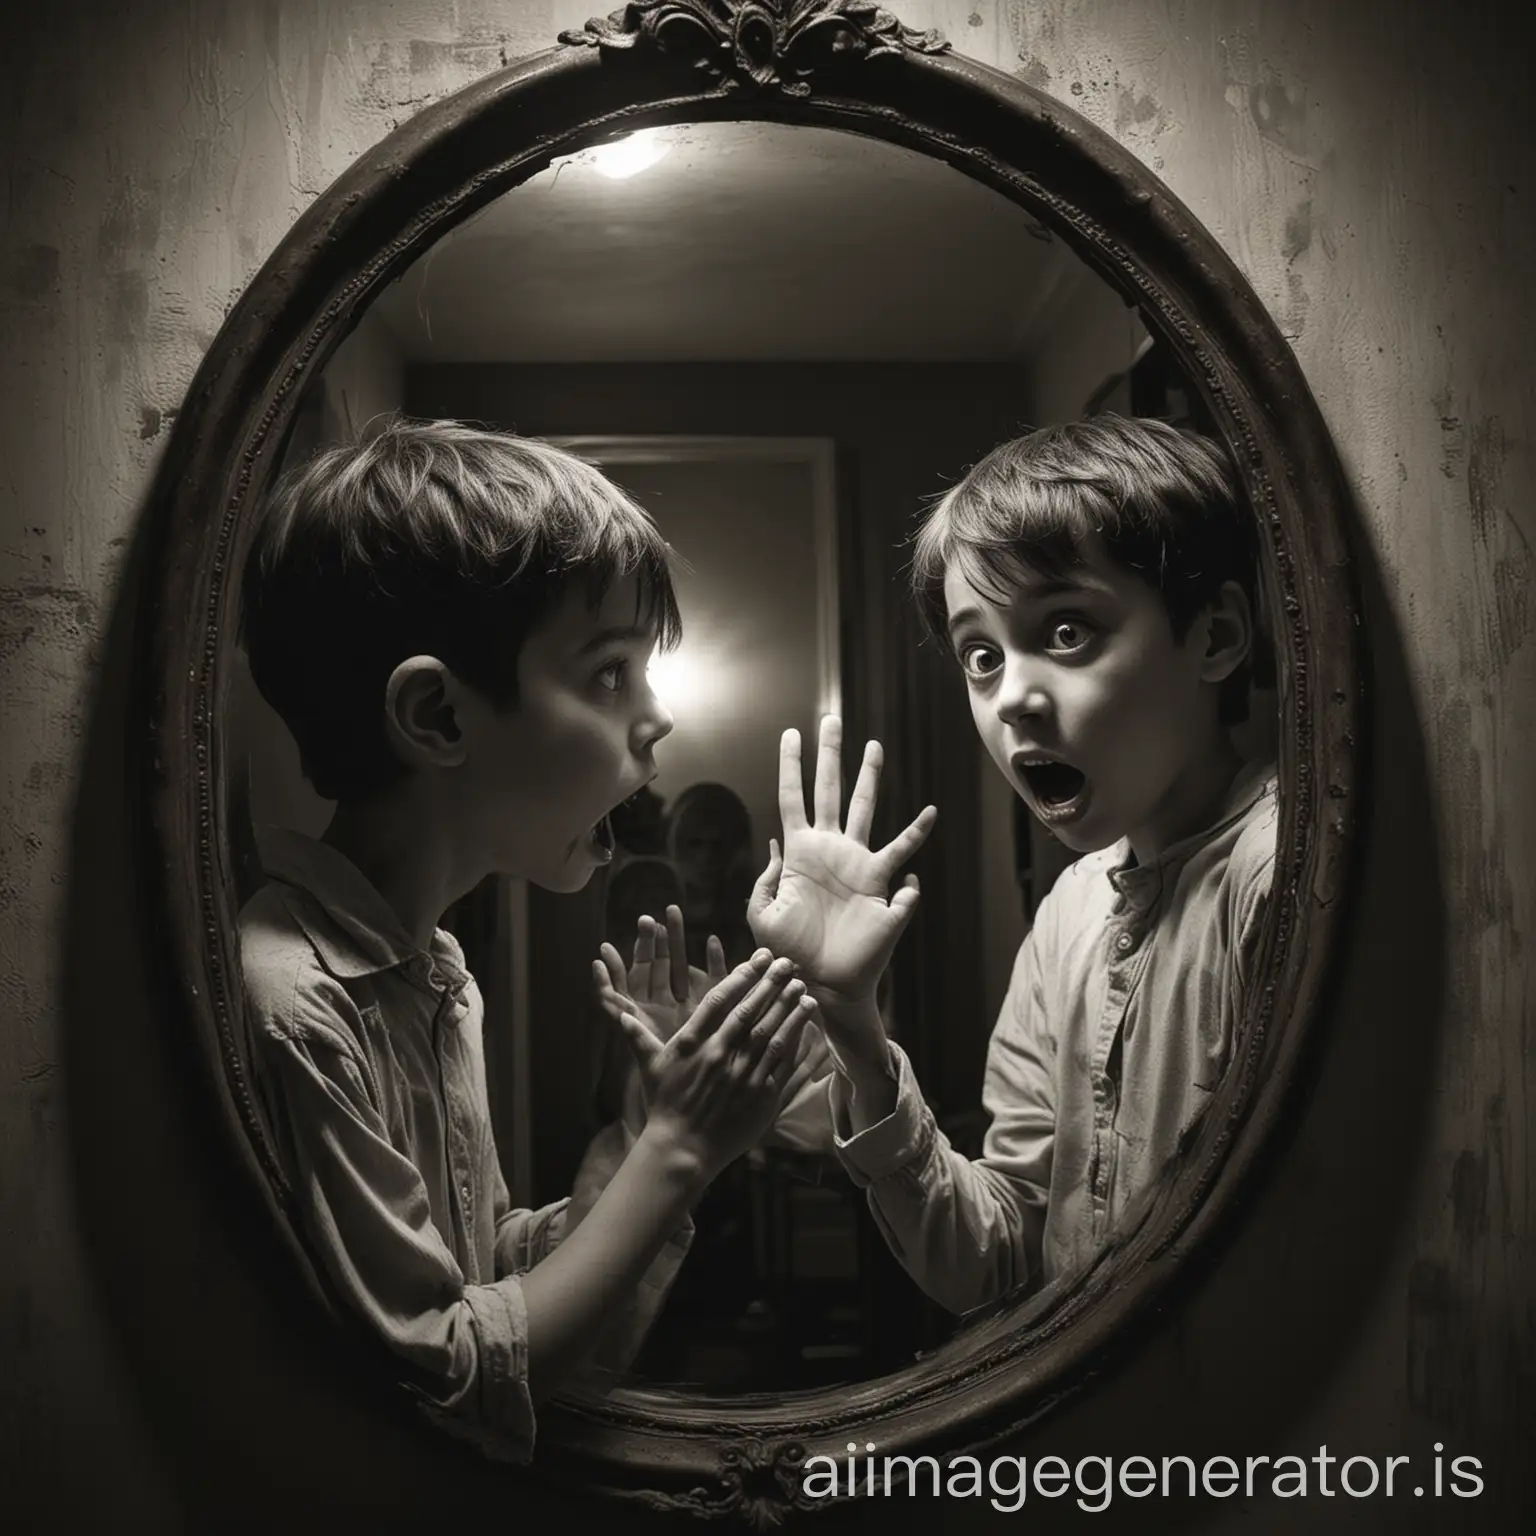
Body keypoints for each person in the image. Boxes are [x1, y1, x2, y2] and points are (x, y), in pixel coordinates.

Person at [237, 418, 822, 1460]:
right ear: (439, 717)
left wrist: (653, 1134)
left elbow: (487, 1285)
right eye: (609, 674)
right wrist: (682, 1154)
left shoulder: (439, 979)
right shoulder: (298, 1002)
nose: (657, 722)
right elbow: (449, 1383)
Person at [746, 416, 1275, 1313]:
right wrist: (854, 1028)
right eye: (981, 656)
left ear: (1216, 636)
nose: (1014, 700)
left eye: (1067, 631)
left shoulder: (1278, 876)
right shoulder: (1072, 908)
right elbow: (1002, 1258)